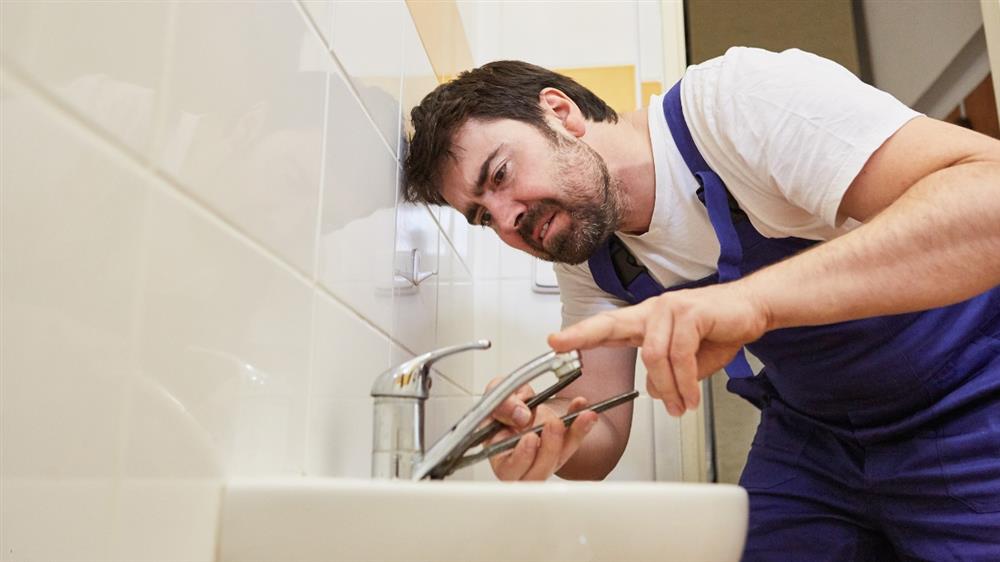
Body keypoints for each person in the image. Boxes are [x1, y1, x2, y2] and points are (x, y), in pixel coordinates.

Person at [402, 47, 1000, 560]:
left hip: (970, 397)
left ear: (560, 113)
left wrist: (753, 302)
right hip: (816, 434)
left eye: (501, 174)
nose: (509, 221)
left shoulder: (737, 105)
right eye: (483, 217)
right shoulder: (586, 250)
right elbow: (603, 434)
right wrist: (547, 434)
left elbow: (988, 197)